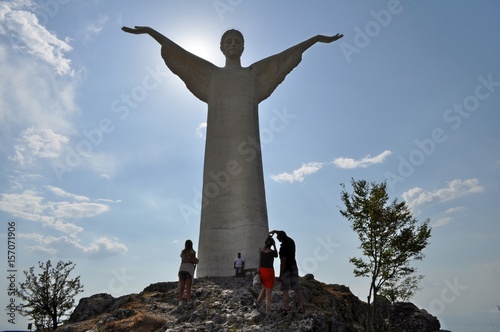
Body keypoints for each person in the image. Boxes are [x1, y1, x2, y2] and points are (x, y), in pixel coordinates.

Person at [122, 26, 343, 277]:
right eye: (228, 40)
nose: (232, 44)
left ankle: (252, 262)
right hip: (217, 150)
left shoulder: (253, 75)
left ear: (244, 47)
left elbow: (282, 58)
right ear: (220, 46)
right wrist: (152, 32)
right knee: (215, 195)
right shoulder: (211, 76)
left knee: (249, 192)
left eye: (237, 41)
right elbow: (181, 55)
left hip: (247, 152)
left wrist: (314, 39)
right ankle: (212, 268)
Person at [269, 230, 304, 314]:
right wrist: (275, 231)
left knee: (285, 290)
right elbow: (282, 233)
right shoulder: (291, 241)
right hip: (294, 267)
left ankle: (286, 308)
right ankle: (301, 307)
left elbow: (283, 262)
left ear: (281, 239)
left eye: (278, 238)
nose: (277, 239)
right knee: (297, 289)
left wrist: (281, 275)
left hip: (286, 270)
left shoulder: (283, 248)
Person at [254, 236, 278, 315]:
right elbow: (276, 255)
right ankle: (268, 311)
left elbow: (259, 261)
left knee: (264, 288)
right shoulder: (272, 252)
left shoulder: (260, 251)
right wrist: (274, 244)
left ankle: (257, 303)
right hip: (269, 272)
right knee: (268, 293)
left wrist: (258, 271)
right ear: (272, 244)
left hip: (262, 271)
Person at [178, 239, 199, 305]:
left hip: (182, 269)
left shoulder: (183, 252)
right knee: (188, 287)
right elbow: (193, 261)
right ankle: (188, 301)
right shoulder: (192, 252)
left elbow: (182, 259)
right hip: (189, 269)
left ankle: (180, 302)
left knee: (182, 287)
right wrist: (197, 261)